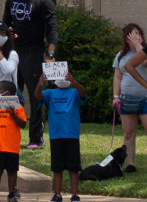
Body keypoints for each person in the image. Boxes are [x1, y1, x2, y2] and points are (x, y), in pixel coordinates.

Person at [2, 0, 58, 149]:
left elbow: (52, 29)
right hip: (14, 52)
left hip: (34, 53)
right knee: (8, 92)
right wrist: (8, 32)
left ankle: (36, 138)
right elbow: (4, 24)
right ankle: (8, 132)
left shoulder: (43, 1)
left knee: (36, 96)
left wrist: (50, 54)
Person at [116, 24, 147, 172]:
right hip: (126, 98)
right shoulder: (120, 56)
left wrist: (138, 45)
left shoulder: (146, 51)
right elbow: (117, 77)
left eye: (138, 34)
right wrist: (115, 96)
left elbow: (146, 62)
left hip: (146, 97)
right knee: (129, 133)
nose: (135, 37)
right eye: (132, 35)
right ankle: (130, 163)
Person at [43, 69, 85, 202]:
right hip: (56, 135)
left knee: (74, 167)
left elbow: (83, 94)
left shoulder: (74, 92)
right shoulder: (50, 93)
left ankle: (75, 194)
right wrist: (40, 84)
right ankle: (57, 194)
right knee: (57, 167)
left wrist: (74, 82)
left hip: (71, 134)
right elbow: (38, 97)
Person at [0, 86, 25, 202]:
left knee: (12, 171)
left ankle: (11, 193)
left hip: (12, 146)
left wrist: (13, 114)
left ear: (8, 94)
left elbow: (23, 124)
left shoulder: (18, 107)